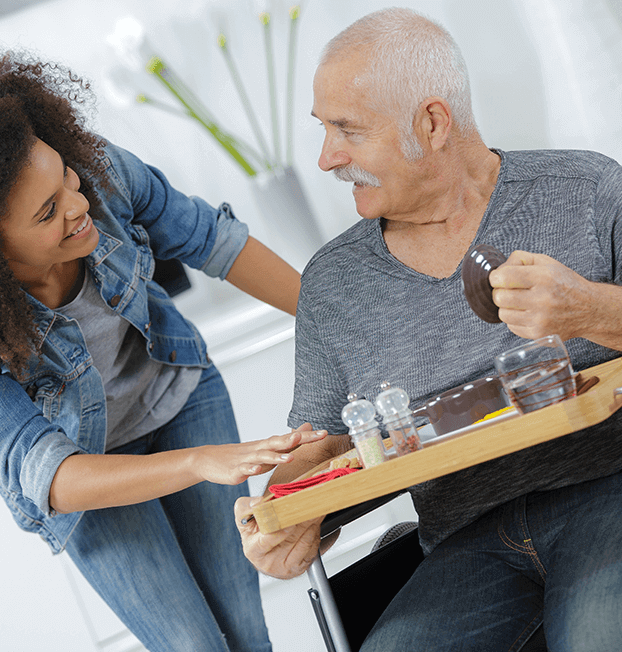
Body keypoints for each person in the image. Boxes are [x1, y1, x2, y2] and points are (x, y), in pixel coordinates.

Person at [235, 7, 622, 651]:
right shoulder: (334, 283)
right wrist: (282, 512)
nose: (328, 157)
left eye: (347, 130)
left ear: (432, 122)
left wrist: (591, 310)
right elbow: (329, 447)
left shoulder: (583, 189)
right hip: (467, 543)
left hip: (604, 488)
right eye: (323, 128)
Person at [0, 52, 329, 652]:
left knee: (247, 633)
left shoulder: (102, 176)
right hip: (88, 470)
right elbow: (48, 474)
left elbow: (214, 241)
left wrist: (341, 324)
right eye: (47, 212)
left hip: (177, 397)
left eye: (65, 177)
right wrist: (199, 463)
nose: (77, 205)